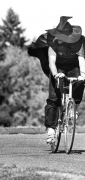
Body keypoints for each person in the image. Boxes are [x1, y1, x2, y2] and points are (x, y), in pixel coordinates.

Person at [28, 16, 85, 144]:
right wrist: (55, 74)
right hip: (57, 67)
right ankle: (51, 130)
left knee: (80, 81)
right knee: (54, 98)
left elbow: (82, 60)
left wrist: (83, 74)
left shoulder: (79, 42)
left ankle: (72, 106)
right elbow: (52, 62)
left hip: (73, 67)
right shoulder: (52, 43)